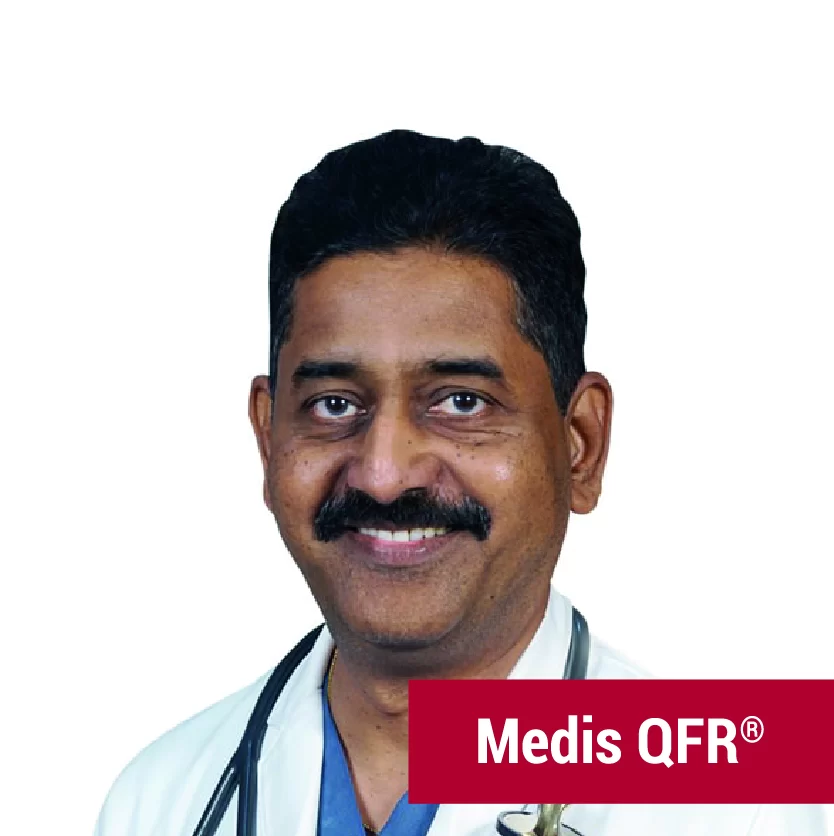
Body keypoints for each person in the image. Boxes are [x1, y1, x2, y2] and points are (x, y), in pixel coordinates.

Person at [94, 130, 826, 836]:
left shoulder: (741, 802)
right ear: (268, 438)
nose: (384, 475)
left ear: (580, 445)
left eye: (461, 402)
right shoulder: (159, 800)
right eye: (334, 405)